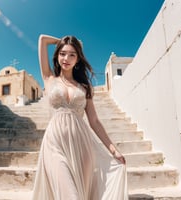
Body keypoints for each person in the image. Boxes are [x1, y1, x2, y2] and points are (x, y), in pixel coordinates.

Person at [32, 34, 128, 200]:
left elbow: (94, 121)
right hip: (55, 143)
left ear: (78, 59)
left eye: (72, 54)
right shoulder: (49, 78)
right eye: (62, 53)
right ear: (57, 56)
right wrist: (62, 41)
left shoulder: (84, 87)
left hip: (82, 145)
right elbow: (42, 40)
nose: (66, 58)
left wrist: (113, 149)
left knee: (81, 194)